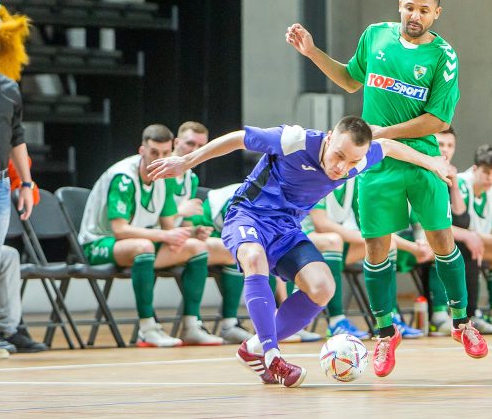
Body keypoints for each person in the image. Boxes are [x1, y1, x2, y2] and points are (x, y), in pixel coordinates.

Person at [148, 115, 451, 387]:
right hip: (248, 214)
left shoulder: (360, 158)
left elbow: (389, 147)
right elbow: (238, 138)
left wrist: (433, 162)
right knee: (254, 259)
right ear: (329, 138)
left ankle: (253, 348)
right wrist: (188, 161)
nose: (341, 168)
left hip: (287, 229)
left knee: (323, 288)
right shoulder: (294, 140)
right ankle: (271, 356)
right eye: (338, 156)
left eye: (351, 162)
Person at [287, 0, 488, 376]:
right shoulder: (375, 36)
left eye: (424, 10)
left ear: (436, 14)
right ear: (400, 5)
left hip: (421, 157)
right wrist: (311, 53)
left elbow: (438, 119)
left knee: (441, 237)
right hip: (375, 161)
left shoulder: (444, 56)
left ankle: (462, 322)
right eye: (410, 7)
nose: (416, 15)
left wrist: (383, 133)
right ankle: (383, 333)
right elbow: (349, 79)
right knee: (376, 246)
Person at [78, 124, 223, 347]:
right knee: (143, 246)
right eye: (154, 152)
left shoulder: (164, 177)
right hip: (99, 243)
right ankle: (147, 329)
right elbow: (120, 230)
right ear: (142, 150)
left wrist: (190, 232)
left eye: (165, 153)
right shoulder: (124, 177)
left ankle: (191, 326)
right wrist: (165, 237)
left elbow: (167, 227)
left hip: (139, 242)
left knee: (196, 247)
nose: (160, 158)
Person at [302, 178, 433, 340]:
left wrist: (414, 248)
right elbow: (321, 224)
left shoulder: (353, 181)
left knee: (387, 244)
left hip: (333, 250)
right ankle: (336, 321)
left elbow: (370, 225)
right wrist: (412, 248)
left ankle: (388, 320)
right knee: (334, 240)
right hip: (302, 241)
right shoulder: (318, 176)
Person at [172, 122, 251, 343]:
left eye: (200, 146)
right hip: (155, 239)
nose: (194, 150)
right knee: (223, 249)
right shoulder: (162, 170)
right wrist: (180, 213)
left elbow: (183, 224)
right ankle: (191, 324)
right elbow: (155, 217)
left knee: (232, 251)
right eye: (189, 143)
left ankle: (229, 323)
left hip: (173, 239)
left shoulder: (191, 178)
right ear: (176, 143)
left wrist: (194, 231)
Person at [0, 71, 48, 357]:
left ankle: (8, 329)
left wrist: (26, 183)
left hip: (0, 183)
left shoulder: (7, 87)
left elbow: (17, 137)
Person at [457, 144, 492, 328]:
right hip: (455, 241)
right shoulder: (461, 184)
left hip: (476, 241)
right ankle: (470, 314)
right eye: (486, 172)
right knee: (470, 249)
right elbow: (463, 227)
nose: (491, 178)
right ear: (475, 169)